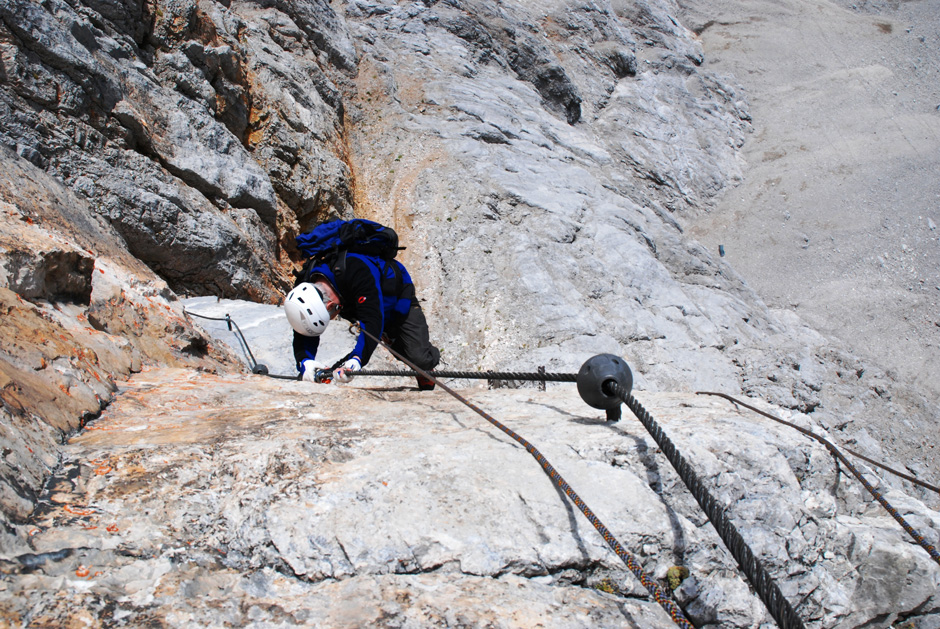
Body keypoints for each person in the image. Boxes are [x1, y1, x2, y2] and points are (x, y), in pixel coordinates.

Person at [285, 250, 440, 389]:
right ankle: (389, 337)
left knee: (420, 360)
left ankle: (424, 364)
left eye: (331, 316)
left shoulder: (358, 271)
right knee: (384, 336)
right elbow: (304, 325)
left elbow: (373, 320)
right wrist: (305, 361)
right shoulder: (305, 284)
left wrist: (356, 360)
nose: (333, 319)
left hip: (397, 298)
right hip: (360, 302)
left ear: (331, 305)